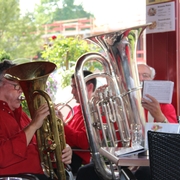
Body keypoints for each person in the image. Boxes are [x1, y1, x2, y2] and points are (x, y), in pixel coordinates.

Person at [0, 60, 72, 180]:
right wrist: (33, 126)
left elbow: (42, 147)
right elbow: (2, 157)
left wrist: (61, 150)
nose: (21, 90)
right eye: (16, 85)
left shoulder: (21, 115)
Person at [56, 70, 97, 175]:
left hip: (79, 161)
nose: (72, 91)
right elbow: (66, 136)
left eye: (75, 87)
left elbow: (84, 142)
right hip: (67, 155)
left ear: (89, 87)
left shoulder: (96, 112)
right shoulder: (75, 109)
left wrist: (63, 124)